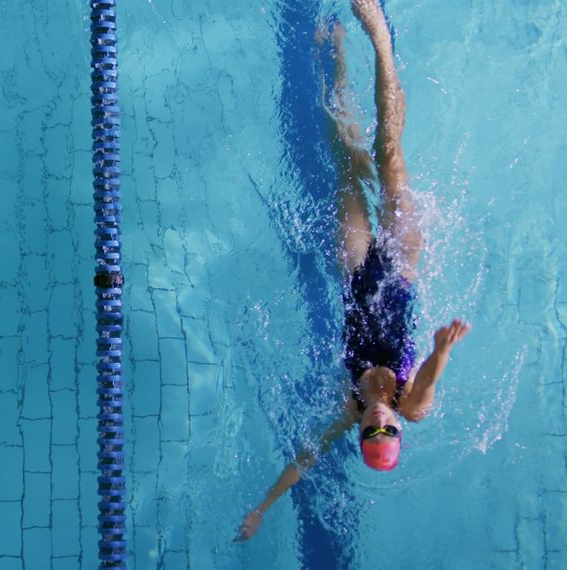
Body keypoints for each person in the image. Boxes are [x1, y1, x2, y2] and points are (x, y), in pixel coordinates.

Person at [235, 0, 471, 542]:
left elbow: (306, 458)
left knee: (344, 157)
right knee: (390, 154)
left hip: (359, 268)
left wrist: (264, 508)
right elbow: (430, 381)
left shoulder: (350, 405)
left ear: (363, 433)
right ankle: (379, 41)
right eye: (388, 431)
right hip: (402, 265)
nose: (381, 422)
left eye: (373, 433)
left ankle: (337, 56)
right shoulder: (409, 404)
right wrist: (441, 350)